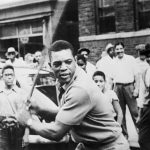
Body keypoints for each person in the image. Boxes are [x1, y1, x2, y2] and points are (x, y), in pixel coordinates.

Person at [17, 40, 130, 150]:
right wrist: (40, 110)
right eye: (57, 64)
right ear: (50, 65)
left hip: (110, 146)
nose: (63, 68)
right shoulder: (66, 80)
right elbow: (66, 114)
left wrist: (28, 121)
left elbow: (57, 132)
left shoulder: (79, 89)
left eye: (68, 62)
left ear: (75, 60)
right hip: (91, 145)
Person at [112, 42, 139, 139]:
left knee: (135, 111)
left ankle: (141, 134)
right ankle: (124, 135)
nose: (119, 51)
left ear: (124, 49)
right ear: (114, 51)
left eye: (121, 48)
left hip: (129, 87)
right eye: (117, 49)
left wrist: (136, 89)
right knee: (120, 113)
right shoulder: (113, 61)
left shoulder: (130, 59)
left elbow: (137, 75)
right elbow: (111, 78)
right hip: (118, 88)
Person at [0, 64, 28, 150]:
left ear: (14, 76)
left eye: (11, 75)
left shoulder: (21, 93)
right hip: (2, 130)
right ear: (2, 77)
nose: (9, 77)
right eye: (6, 75)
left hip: (18, 129)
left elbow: (27, 115)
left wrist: (26, 135)